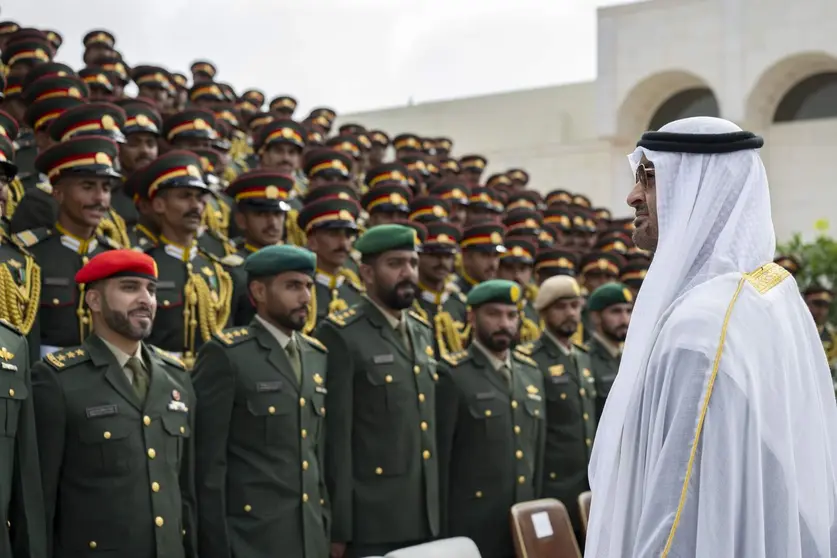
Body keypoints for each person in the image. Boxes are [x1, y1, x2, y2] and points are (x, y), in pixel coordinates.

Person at [585, 117, 837, 558]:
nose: (632, 197)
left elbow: (677, 518)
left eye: (649, 178)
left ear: (702, 187)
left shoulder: (701, 329)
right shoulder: (772, 291)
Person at [31, 249, 196, 557]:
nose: (145, 299)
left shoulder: (177, 378)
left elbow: (186, 491)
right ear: (94, 300)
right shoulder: (58, 380)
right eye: (129, 287)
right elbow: (39, 501)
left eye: (151, 290)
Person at [192, 245, 329, 558]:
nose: (306, 297)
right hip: (251, 537)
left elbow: (316, 452)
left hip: (309, 535)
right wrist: (215, 545)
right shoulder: (227, 355)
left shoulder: (316, 356)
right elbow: (207, 465)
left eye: (308, 286)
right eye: (292, 286)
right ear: (258, 291)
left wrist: (324, 522)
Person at [314, 224, 439, 558]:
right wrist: (339, 526)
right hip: (372, 519)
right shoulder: (341, 334)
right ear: (367, 272)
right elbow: (335, 439)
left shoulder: (423, 332)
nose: (408, 272)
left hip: (423, 514)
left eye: (412, 262)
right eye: (395, 263)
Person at [435, 279, 545, 558]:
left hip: (522, 519)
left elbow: (537, 455)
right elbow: (441, 461)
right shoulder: (453, 375)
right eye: (493, 314)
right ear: (472, 317)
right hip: (474, 524)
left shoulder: (530, 373)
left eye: (511, 315)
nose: (504, 324)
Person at [517, 275, 595, 544]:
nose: (570, 313)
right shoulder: (530, 360)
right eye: (561, 307)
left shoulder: (582, 357)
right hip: (554, 483)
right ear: (543, 312)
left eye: (575, 306)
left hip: (586, 483)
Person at [585, 282, 633, 420]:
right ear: (596, 317)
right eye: (616, 311)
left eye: (628, 311)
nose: (625, 320)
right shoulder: (586, 358)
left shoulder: (630, 358)